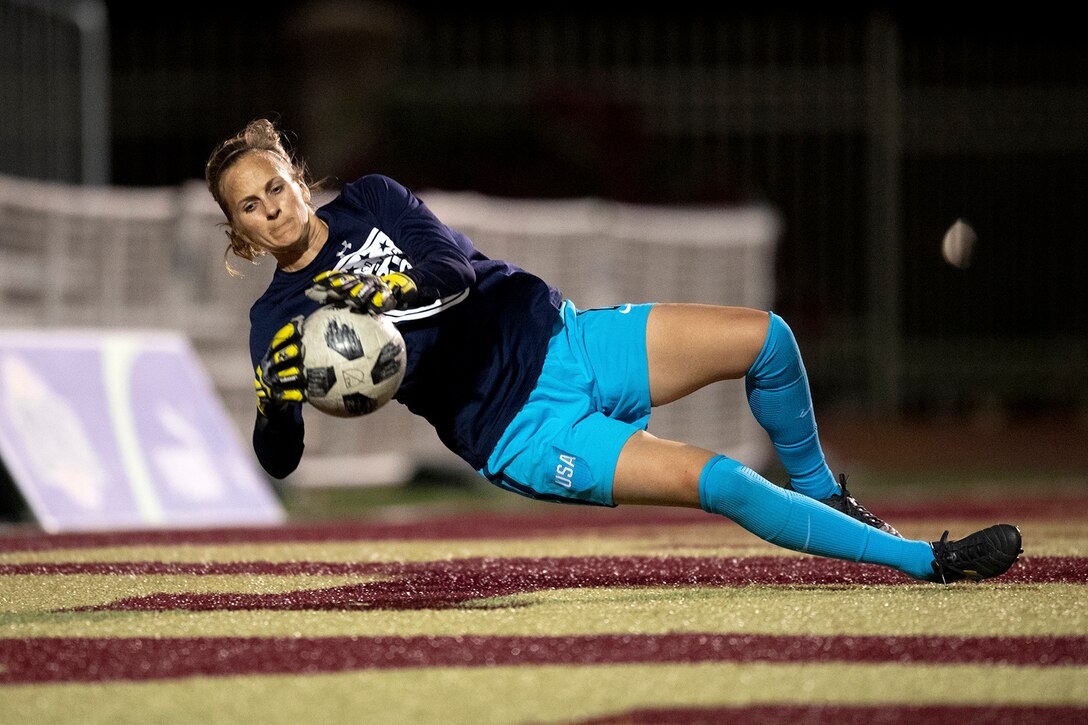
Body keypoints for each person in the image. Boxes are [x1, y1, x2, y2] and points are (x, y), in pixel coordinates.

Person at [205, 118, 1022, 585]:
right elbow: (278, 462)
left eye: (275, 185)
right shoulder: (278, 320)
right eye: (251, 207)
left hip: (569, 338)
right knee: (726, 480)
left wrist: (392, 298)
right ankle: (927, 562)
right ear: (239, 232)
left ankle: (827, 499)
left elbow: (450, 267)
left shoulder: (375, 198)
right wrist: (278, 403)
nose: (273, 209)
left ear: (297, 176)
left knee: (768, 339)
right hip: (521, 430)